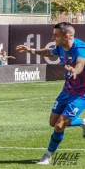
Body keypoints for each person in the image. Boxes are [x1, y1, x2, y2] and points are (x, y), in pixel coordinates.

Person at [16, 22, 85, 165]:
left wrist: (75, 71)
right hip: (67, 90)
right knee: (53, 122)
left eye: (56, 35)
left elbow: (80, 63)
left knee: (59, 125)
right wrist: (30, 50)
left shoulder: (80, 48)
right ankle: (82, 122)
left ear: (67, 36)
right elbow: (48, 52)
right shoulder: (61, 47)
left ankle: (47, 156)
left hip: (81, 93)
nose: (52, 37)